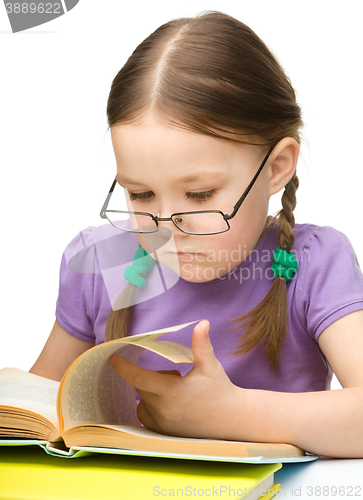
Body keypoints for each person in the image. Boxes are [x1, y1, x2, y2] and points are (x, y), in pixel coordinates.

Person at [29, 11, 363, 458]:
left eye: (200, 194)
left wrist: (230, 412)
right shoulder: (101, 261)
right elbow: (33, 409)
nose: (168, 228)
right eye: (141, 194)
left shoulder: (315, 263)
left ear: (277, 167)